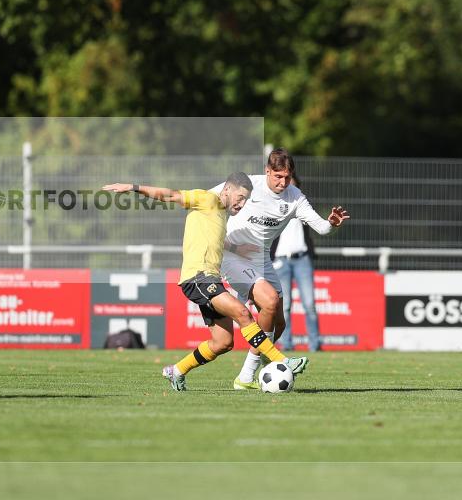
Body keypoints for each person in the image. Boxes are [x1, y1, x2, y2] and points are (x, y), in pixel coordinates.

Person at [102, 173, 308, 392]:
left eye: (246, 199)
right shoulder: (207, 199)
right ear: (227, 190)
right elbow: (170, 195)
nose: (242, 203)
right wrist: (134, 187)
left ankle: (178, 371)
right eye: (240, 197)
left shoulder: (220, 215)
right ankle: (282, 361)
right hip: (197, 278)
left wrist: (238, 249)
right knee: (244, 314)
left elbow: (215, 241)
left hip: (209, 280)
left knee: (223, 342)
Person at [219, 149, 348, 390]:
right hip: (234, 256)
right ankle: (247, 376)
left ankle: (257, 367)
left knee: (279, 324)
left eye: (287, 177)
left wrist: (331, 223)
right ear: (267, 171)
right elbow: (207, 199)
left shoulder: (295, 197)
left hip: (262, 260)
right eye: (277, 176)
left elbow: (321, 228)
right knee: (269, 301)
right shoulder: (248, 184)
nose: (283, 182)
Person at [270, 175, 320, 352]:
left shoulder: (303, 205)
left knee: (309, 304)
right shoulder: (273, 207)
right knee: (285, 306)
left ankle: (315, 345)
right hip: (281, 261)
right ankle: (287, 345)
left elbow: (318, 224)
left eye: (292, 185)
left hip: (302, 259)